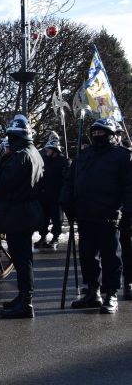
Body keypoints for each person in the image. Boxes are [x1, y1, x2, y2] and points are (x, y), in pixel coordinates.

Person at [62, 118, 132, 314]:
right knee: (87, 256)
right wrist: (66, 202)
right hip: (85, 214)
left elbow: (129, 186)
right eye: (94, 132)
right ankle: (93, 291)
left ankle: (111, 294)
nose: (97, 135)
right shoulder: (83, 155)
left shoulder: (123, 156)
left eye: (102, 132)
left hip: (110, 215)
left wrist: (127, 211)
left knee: (111, 257)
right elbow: (70, 181)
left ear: (111, 134)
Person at [0, 115, 44, 319]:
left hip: (19, 213)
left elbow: (4, 180)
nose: (10, 140)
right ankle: (23, 296)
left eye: (12, 137)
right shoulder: (31, 152)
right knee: (20, 258)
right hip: (22, 212)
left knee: (22, 259)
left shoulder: (23, 156)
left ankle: (26, 302)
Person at [34, 136, 68, 249]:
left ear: (55, 150)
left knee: (56, 219)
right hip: (44, 194)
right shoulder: (44, 160)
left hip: (56, 195)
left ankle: (55, 237)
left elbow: (66, 179)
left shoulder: (63, 161)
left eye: (49, 149)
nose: (47, 151)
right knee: (43, 218)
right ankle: (43, 236)